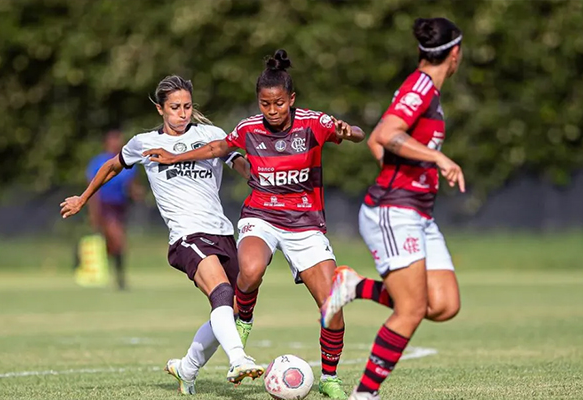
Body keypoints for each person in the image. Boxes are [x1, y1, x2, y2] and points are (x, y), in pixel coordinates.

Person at [143, 50, 365, 399]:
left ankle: (330, 378)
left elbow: (357, 134)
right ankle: (243, 320)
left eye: (279, 103)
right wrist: (175, 156)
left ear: (292, 99)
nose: (272, 111)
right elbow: (217, 146)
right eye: (265, 104)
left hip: (305, 224)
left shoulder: (314, 123)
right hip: (261, 216)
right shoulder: (249, 128)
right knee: (249, 269)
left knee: (332, 306)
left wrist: (347, 131)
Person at [60, 75, 265, 394]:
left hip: (222, 232)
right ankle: (238, 358)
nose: (182, 113)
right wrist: (83, 198)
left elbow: (236, 160)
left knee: (234, 306)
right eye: (174, 107)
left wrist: (258, 179)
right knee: (222, 292)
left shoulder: (211, 135)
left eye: (186, 106)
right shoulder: (143, 143)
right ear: (160, 109)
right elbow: (112, 166)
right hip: (187, 236)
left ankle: (187, 368)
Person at [320, 18, 466, 400]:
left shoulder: (427, 90)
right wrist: (436, 158)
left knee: (445, 303)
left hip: (417, 212)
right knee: (412, 309)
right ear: (455, 53)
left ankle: (355, 285)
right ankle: (364, 394)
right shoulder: (420, 86)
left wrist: (407, 163)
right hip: (393, 210)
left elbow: (379, 142)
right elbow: (385, 135)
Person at [84, 129, 140, 290]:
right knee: (118, 239)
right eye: (114, 140)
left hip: (120, 206)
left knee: (113, 243)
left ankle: (112, 273)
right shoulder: (98, 162)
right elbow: (93, 189)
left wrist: (136, 193)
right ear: (107, 142)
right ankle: (120, 278)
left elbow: (131, 185)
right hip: (105, 206)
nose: (117, 143)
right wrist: (93, 213)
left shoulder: (127, 162)